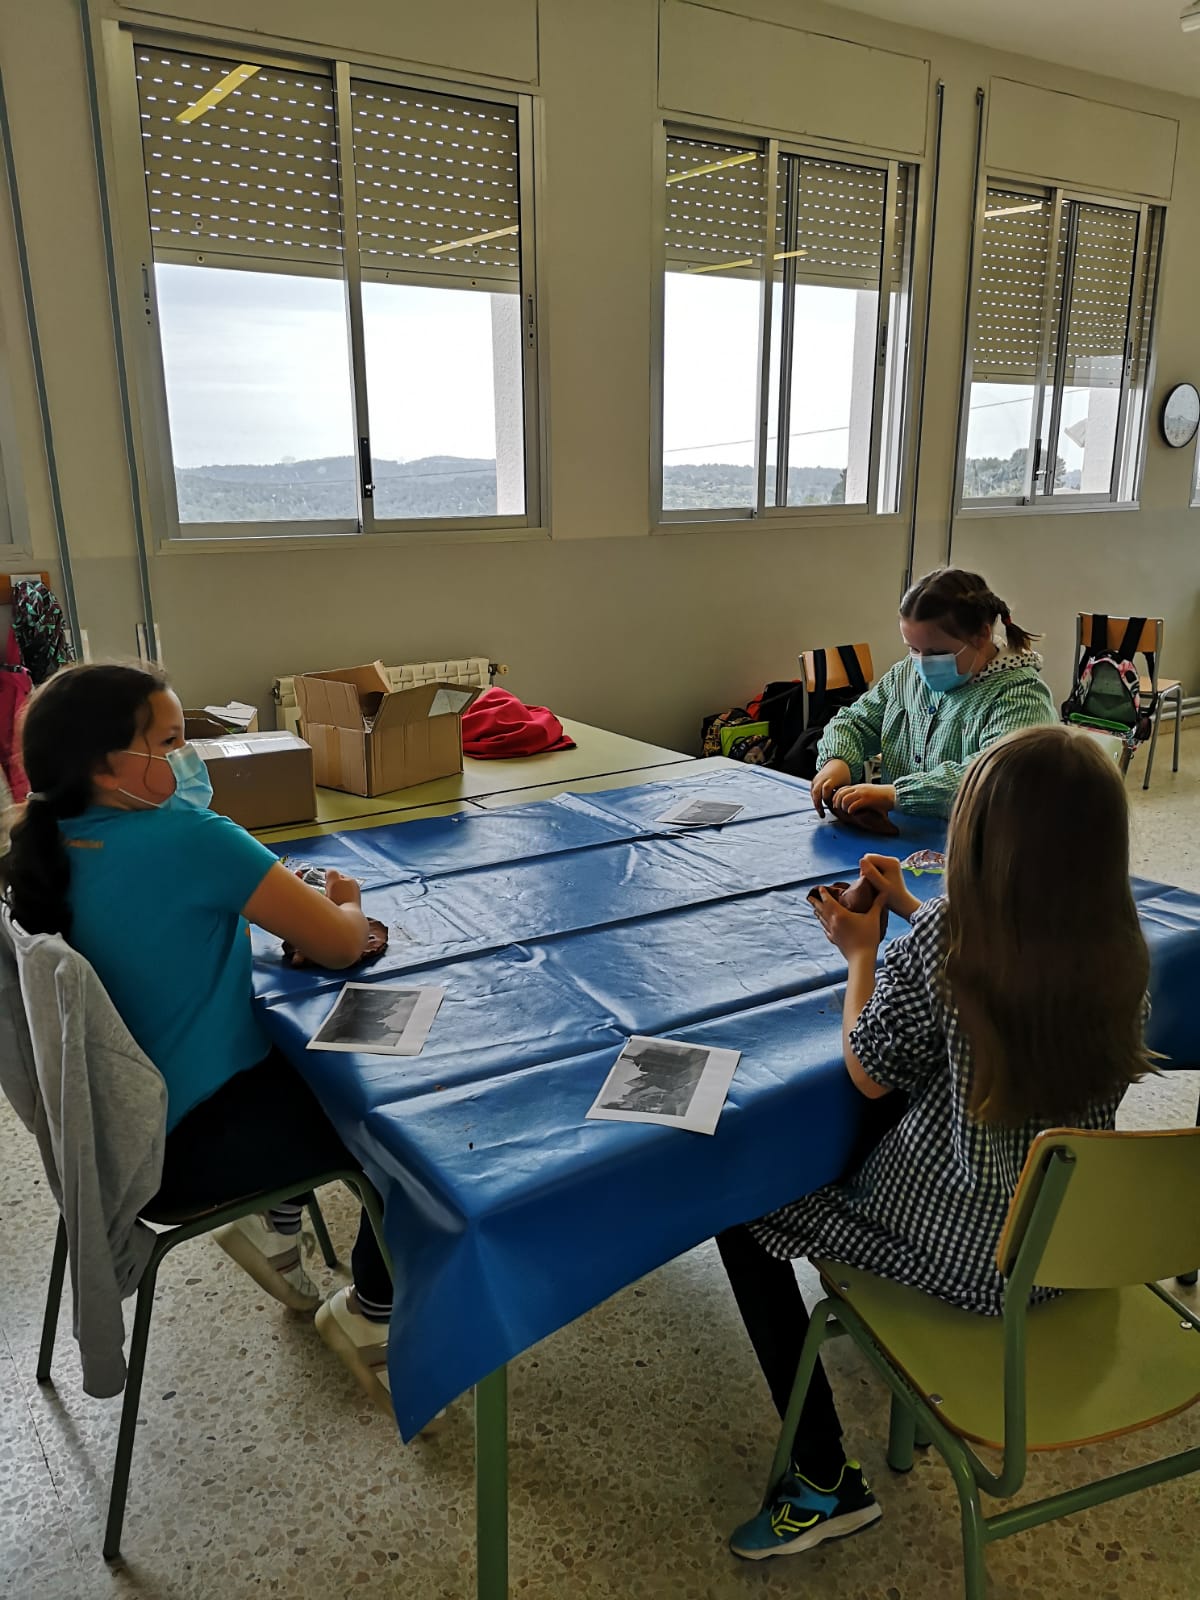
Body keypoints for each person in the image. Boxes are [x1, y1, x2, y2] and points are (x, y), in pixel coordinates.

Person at [719, 724, 1151, 1562]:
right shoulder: (1122, 946)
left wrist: (862, 953)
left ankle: (821, 1477)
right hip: (1071, 1246)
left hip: (969, 1256)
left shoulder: (949, 938)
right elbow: (1006, 973)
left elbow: (868, 1071)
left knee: (735, 1207)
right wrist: (915, 916)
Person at [0, 663, 396, 1411]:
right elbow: (342, 945)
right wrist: (346, 899)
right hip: (189, 1146)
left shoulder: (43, 845)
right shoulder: (191, 838)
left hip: (117, 1142)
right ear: (104, 766)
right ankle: (371, 1315)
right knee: (396, 1126)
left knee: (294, 1068)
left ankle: (278, 1229)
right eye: (170, 742)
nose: (188, 757)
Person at [810, 567, 1056, 825]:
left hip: (976, 842)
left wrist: (896, 795)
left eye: (937, 653)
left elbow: (996, 776)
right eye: (913, 649)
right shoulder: (905, 675)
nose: (923, 662)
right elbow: (857, 722)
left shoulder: (1021, 695)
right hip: (905, 836)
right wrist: (837, 761)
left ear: (982, 635)